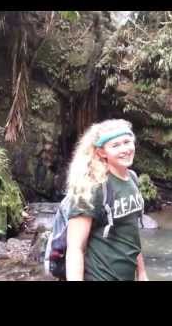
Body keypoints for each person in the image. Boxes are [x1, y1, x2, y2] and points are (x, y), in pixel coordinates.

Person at [65, 119, 149, 281]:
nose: (124, 149)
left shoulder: (132, 178)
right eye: (115, 145)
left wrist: (142, 273)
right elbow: (75, 248)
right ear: (102, 152)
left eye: (127, 142)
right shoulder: (91, 187)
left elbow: (130, 233)